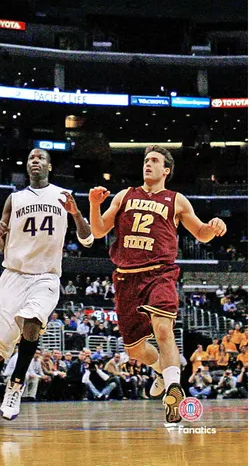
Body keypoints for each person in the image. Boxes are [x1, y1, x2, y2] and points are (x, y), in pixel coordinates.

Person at [89, 145, 227, 423]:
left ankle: (174, 390)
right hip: (126, 276)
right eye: (145, 160)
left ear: (166, 170)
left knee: (163, 330)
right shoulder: (125, 195)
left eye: (154, 161)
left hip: (159, 273)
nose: (147, 164)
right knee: (134, 350)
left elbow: (200, 233)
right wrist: (94, 204)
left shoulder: (176, 200)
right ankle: (161, 371)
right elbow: (98, 230)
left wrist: (213, 227)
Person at [0, 148, 94, 426]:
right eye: (31, 158)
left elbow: (88, 240)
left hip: (45, 276)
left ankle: (16, 385)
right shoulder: (14, 199)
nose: (36, 161)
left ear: (49, 166)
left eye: (41, 158)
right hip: (13, 275)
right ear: (27, 166)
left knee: (32, 321)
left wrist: (76, 215)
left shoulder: (64, 196)